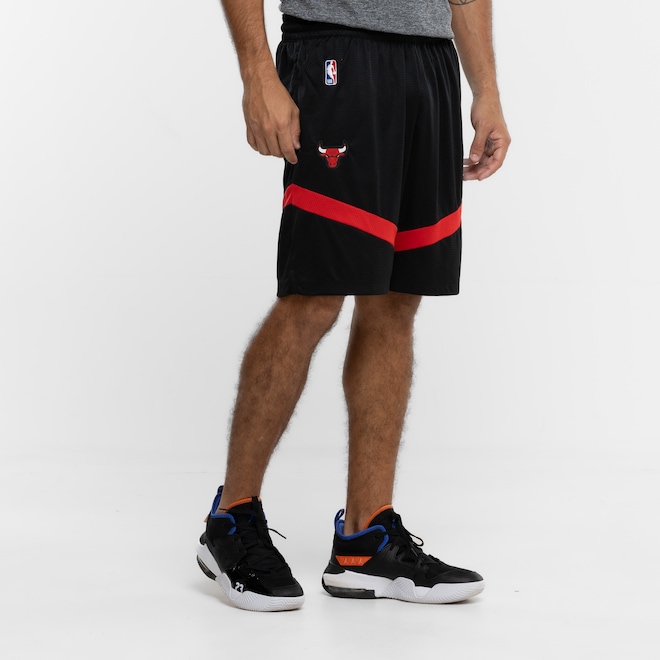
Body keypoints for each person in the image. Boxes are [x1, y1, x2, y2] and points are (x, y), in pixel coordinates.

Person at [196, 0, 510, 612]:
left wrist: (487, 89)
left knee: (396, 299)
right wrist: (257, 73)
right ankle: (231, 518)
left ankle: (365, 542)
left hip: (430, 63)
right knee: (314, 297)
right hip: (336, 52)